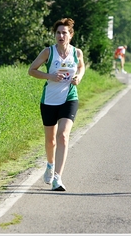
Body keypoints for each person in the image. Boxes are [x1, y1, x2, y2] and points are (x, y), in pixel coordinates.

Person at [28, 18, 85, 191]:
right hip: (49, 100)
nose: (61, 35)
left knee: (62, 136)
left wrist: (78, 78)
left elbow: (81, 67)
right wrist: (50, 77)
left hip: (69, 97)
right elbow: (31, 70)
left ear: (70, 35)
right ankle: (50, 165)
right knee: (50, 141)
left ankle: (57, 178)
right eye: (58, 33)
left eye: (64, 32)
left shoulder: (77, 53)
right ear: (55, 35)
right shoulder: (48, 52)